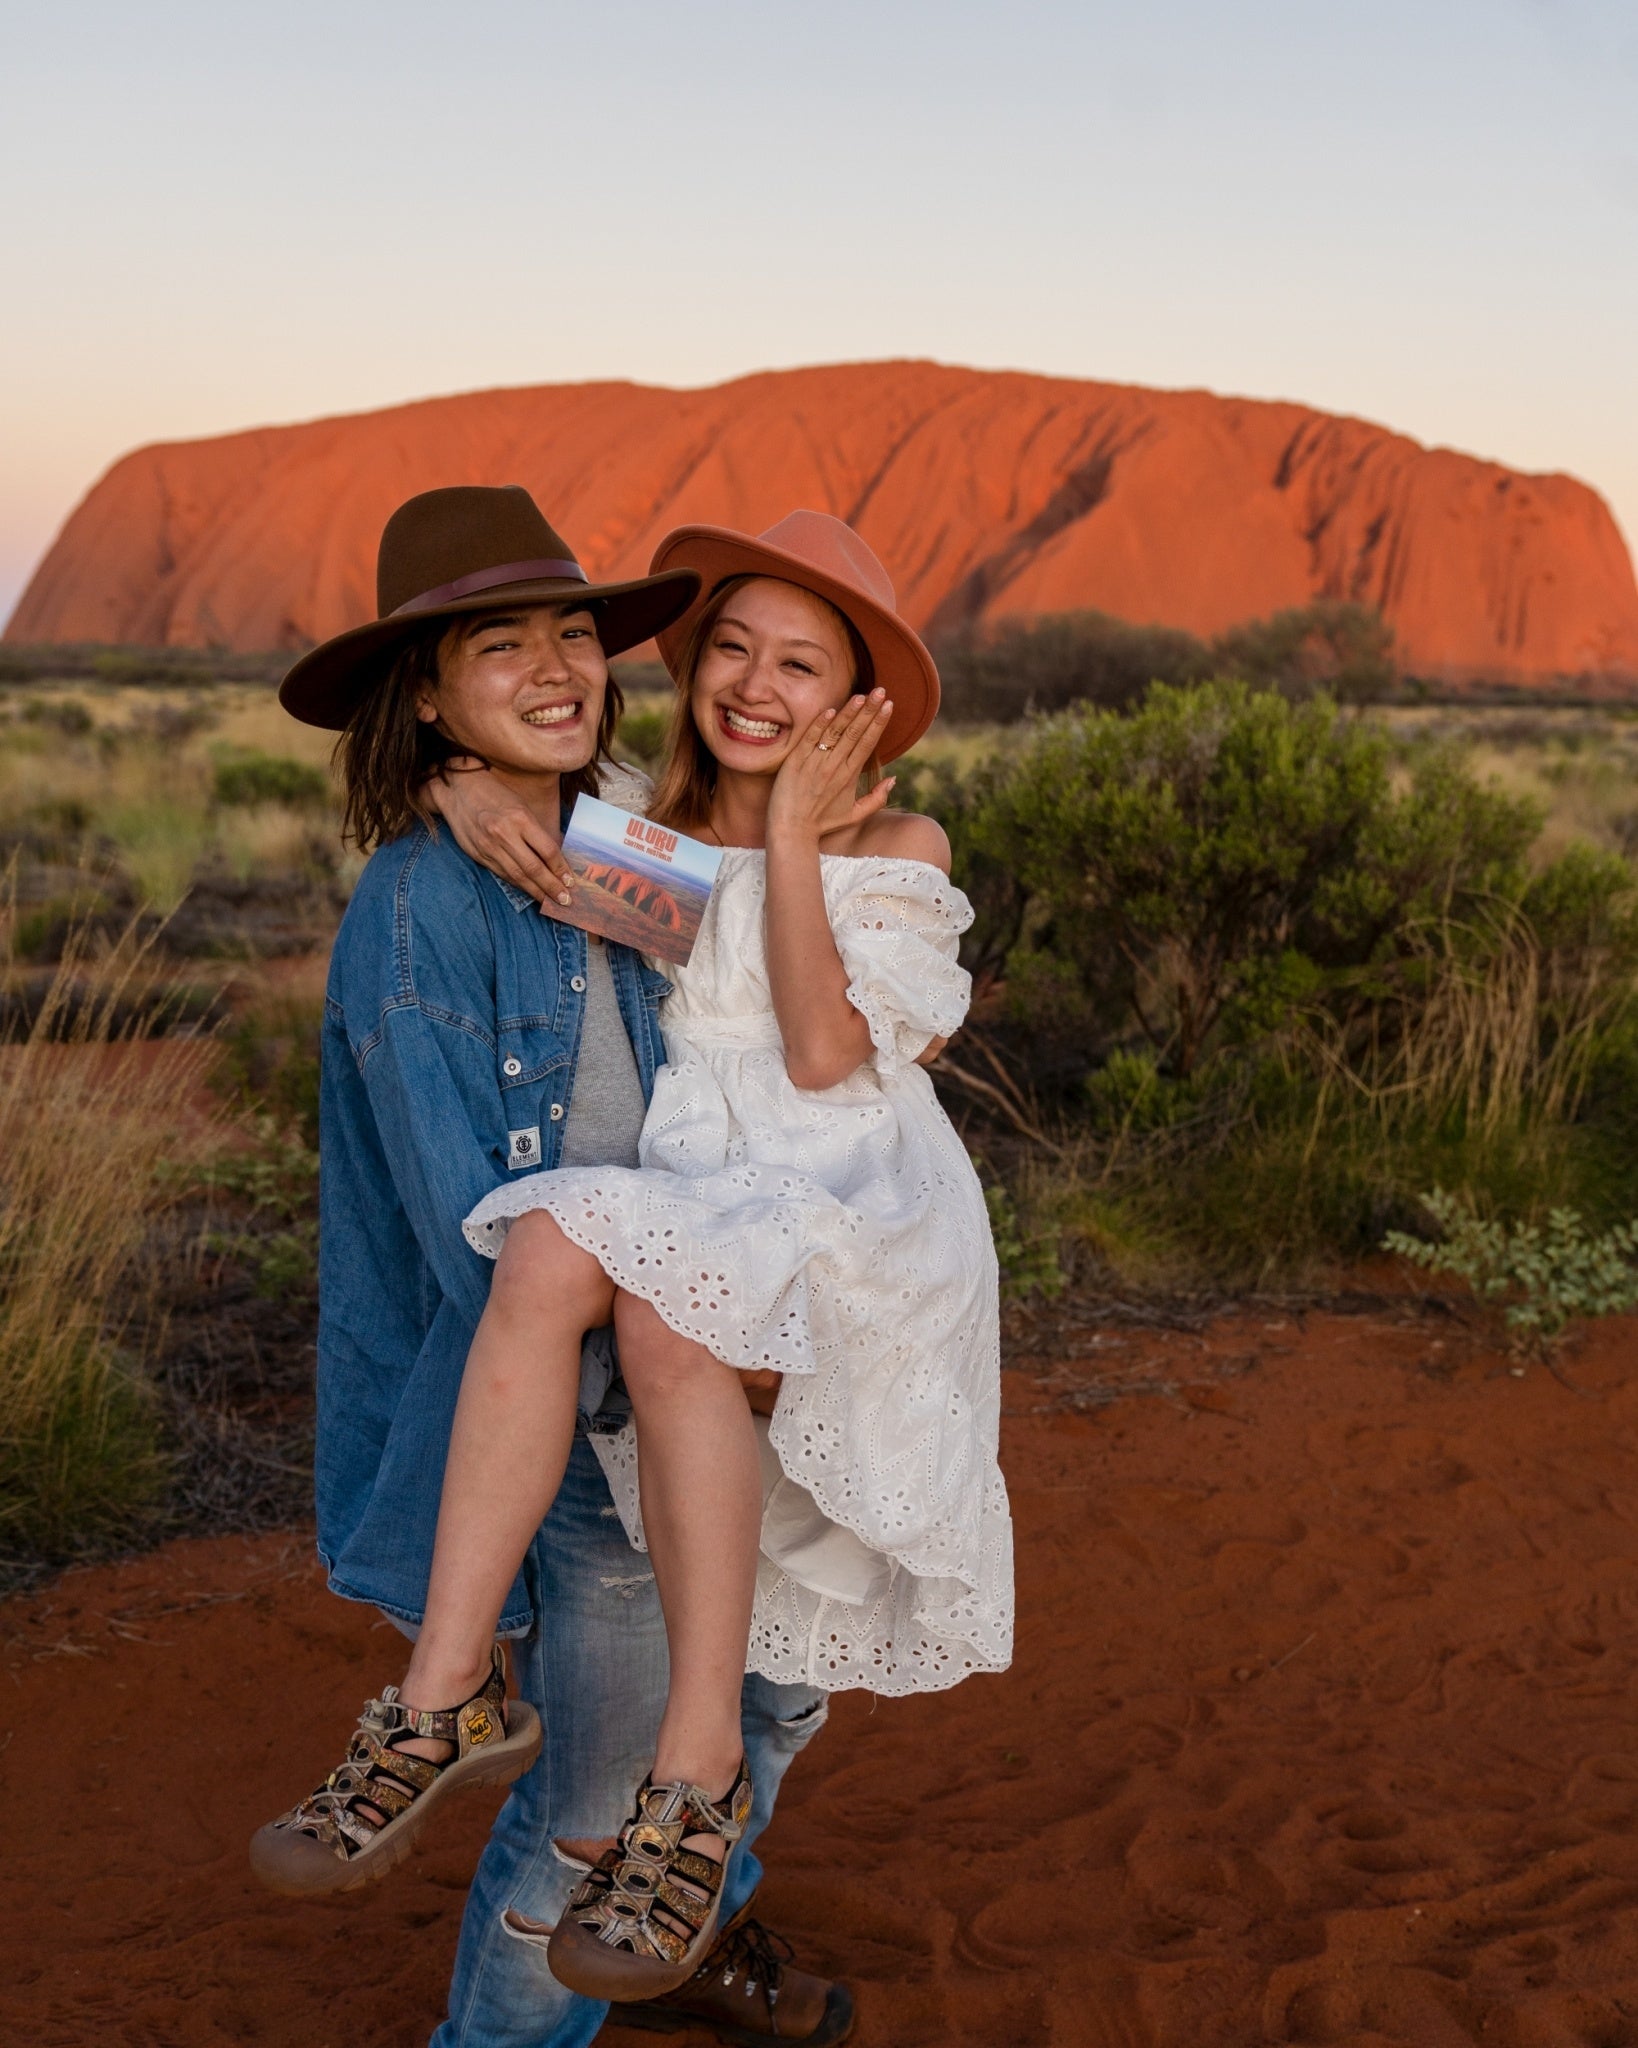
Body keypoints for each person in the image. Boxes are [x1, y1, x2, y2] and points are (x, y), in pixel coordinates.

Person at [355, 509, 1014, 1997]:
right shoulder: (650, 843)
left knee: (670, 1340)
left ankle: (695, 1813)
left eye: (800, 664)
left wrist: (788, 836)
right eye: (729, 645)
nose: (754, 685)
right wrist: (465, 785)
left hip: (857, 1213)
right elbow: (530, 835)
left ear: (855, 702)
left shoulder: (897, 842)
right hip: (717, 1205)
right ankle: (482, 1711)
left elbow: (823, 1041)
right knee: (595, 1286)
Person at [256, 484, 852, 2048]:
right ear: (427, 694)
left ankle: (683, 1929)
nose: (555, 665)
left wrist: (482, 787)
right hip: (602, 1428)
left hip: (736, 1368)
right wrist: (449, 807)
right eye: (498, 645)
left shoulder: (609, 857)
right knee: (594, 1800)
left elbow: (760, 972)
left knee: (778, 1696)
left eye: (573, 634)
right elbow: (474, 1240)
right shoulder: (412, 911)